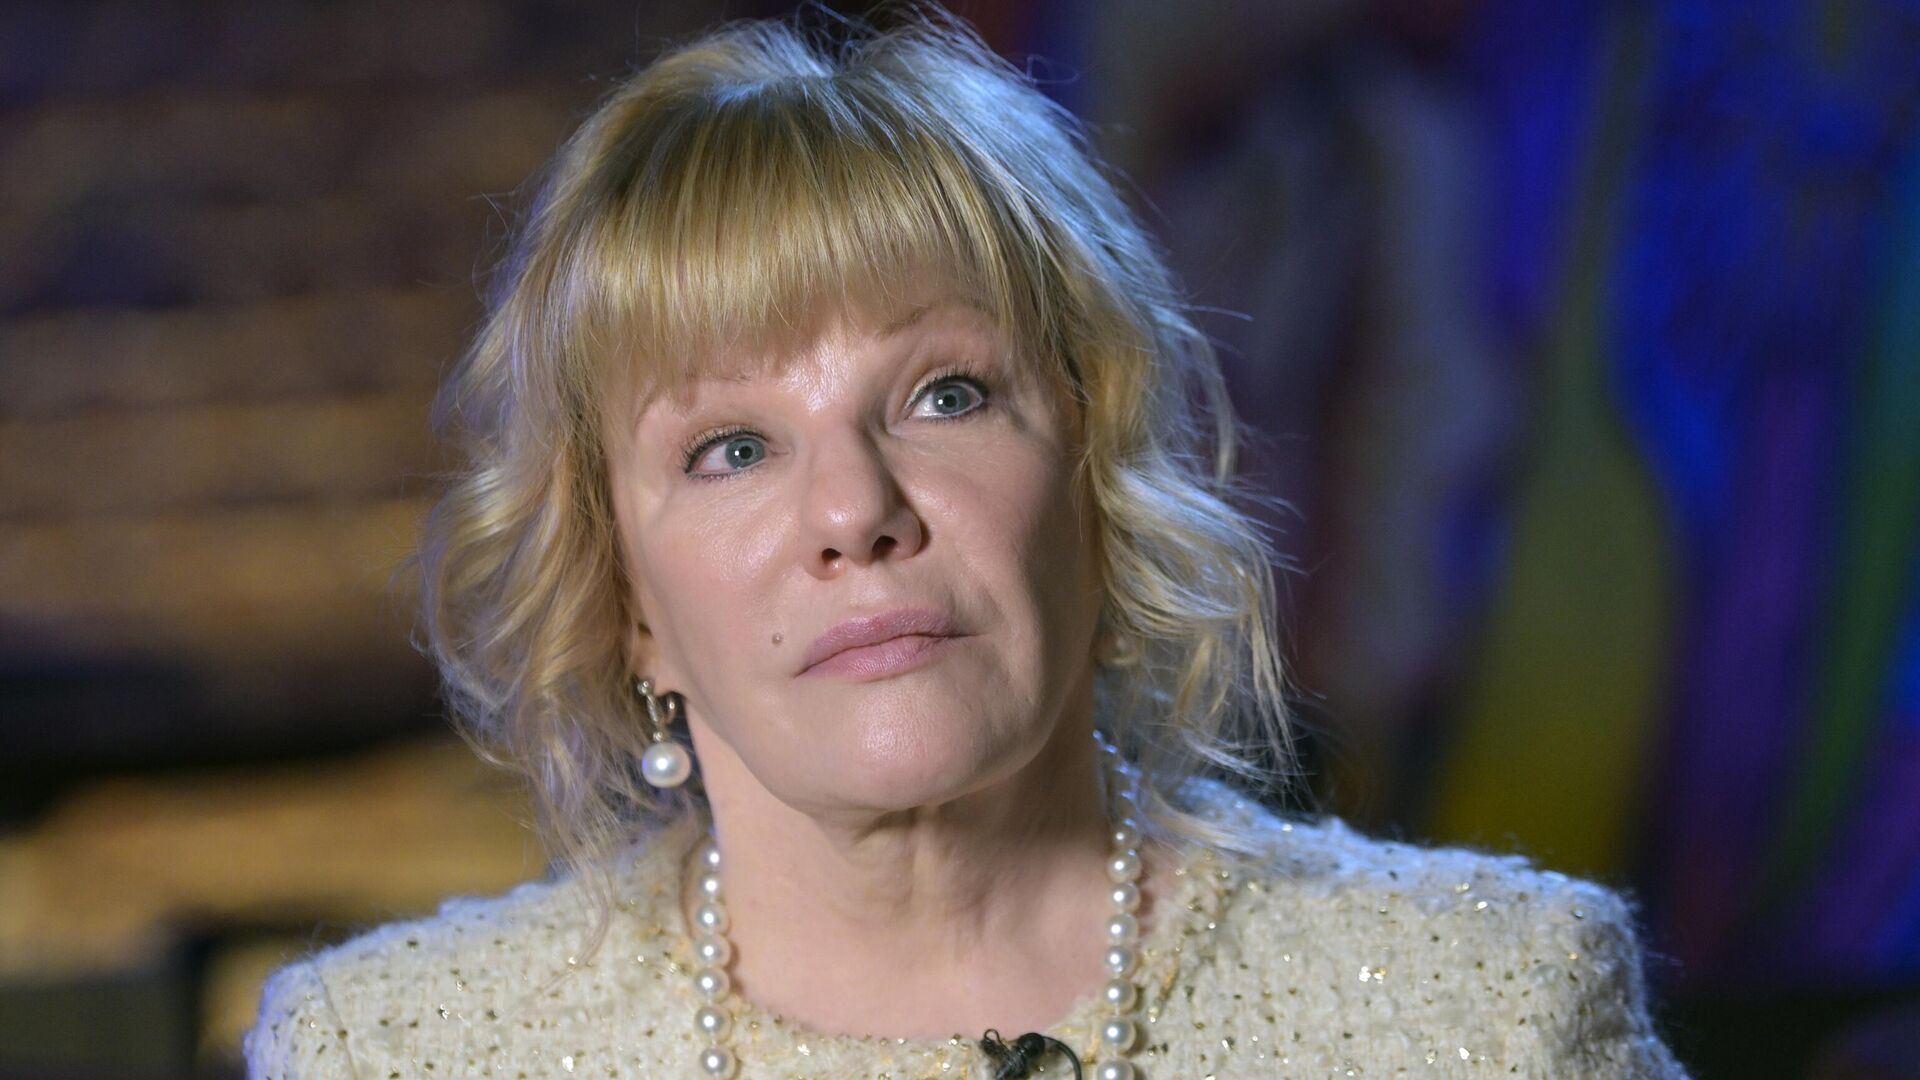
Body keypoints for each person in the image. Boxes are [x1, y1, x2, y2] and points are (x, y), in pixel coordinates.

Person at [245, 6, 1691, 1077]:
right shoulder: (390, 1055)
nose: (853, 512)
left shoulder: (1489, 1013)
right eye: (731, 447)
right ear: (627, 603)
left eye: (944, 395)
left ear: (1097, 481)